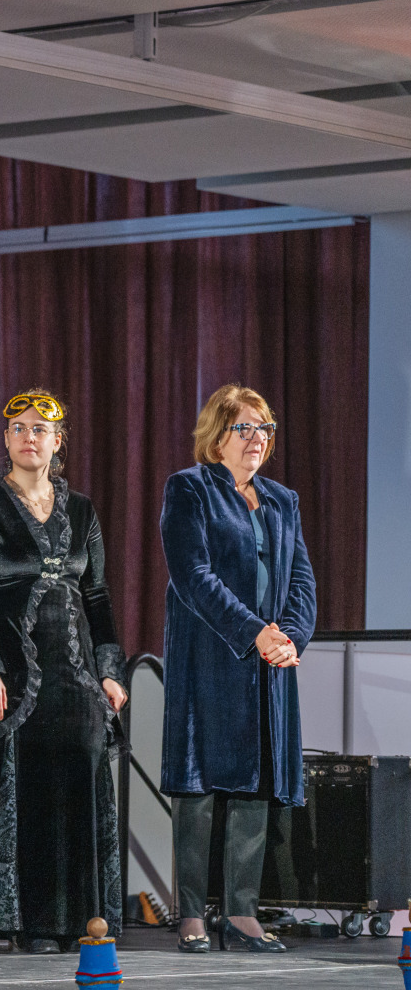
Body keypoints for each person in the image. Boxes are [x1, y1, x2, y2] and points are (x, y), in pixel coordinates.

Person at [0, 389, 127, 954]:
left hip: (74, 678)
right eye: (18, 428)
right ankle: (32, 922)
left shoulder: (82, 510)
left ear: (57, 441)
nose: (29, 438)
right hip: (13, 676)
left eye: (40, 429)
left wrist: (110, 671)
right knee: (27, 793)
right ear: (6, 439)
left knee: (77, 785)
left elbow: (97, 595)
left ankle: (79, 917)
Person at [159, 385, 315, 954]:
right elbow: (193, 575)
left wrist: (290, 638)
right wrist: (254, 631)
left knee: (258, 783)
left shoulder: (282, 500)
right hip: (210, 656)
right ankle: (192, 914)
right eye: (244, 428)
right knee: (200, 782)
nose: (257, 439)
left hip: (269, 663)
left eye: (264, 429)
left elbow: (302, 580)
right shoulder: (190, 488)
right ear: (217, 435)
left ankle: (243, 913)